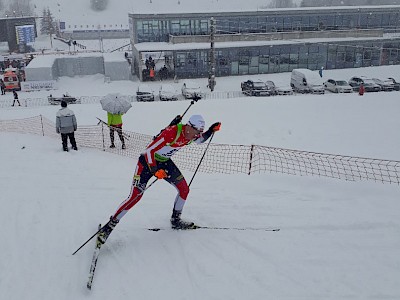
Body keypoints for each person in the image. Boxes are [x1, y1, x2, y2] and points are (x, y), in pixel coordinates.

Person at [97, 114, 221, 244]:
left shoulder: (190, 135)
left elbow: (200, 140)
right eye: (197, 132)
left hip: (164, 162)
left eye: (199, 132)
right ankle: (109, 227)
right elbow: (149, 151)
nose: (197, 136)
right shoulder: (172, 132)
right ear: (189, 127)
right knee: (135, 196)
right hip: (146, 163)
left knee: (184, 190)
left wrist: (210, 131)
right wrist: (155, 170)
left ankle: (176, 220)